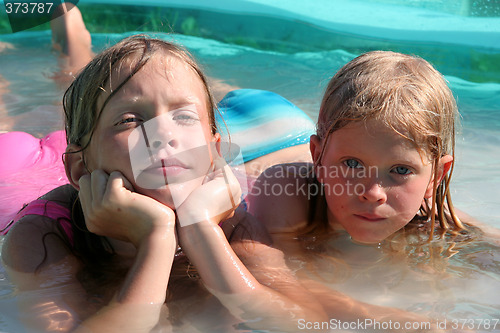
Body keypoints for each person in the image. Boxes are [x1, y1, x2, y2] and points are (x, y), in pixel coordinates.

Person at [244, 50, 500, 329]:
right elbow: (281, 280)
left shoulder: (425, 209)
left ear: (435, 177)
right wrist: (399, 321)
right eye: (352, 164)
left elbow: (487, 240)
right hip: (259, 125)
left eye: (401, 170)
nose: (373, 192)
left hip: (331, 134)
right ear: (317, 156)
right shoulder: (283, 189)